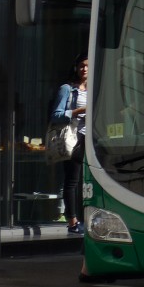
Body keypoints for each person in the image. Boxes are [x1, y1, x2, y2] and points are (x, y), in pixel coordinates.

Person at [51, 54, 88, 236]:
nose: (85, 69)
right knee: (72, 181)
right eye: (81, 65)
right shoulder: (67, 89)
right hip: (73, 139)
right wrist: (79, 111)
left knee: (88, 183)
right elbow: (56, 115)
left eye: (88, 66)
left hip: (91, 140)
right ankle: (72, 220)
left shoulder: (96, 89)